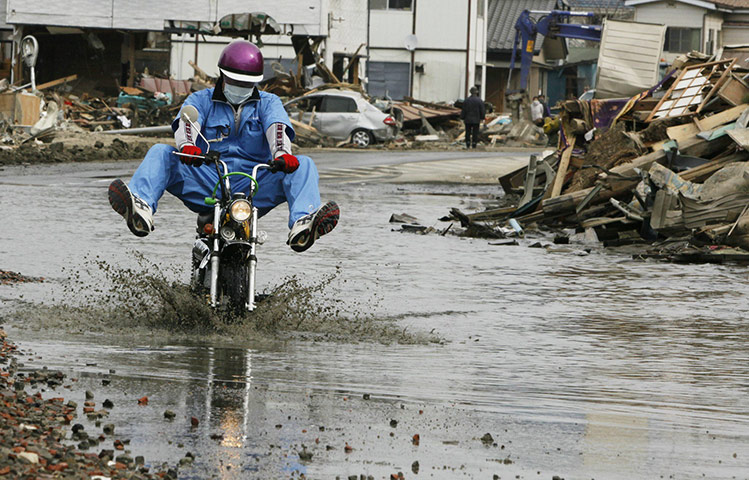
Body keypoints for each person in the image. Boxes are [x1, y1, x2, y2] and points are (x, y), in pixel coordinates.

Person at [108, 40, 339, 253]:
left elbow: (277, 127)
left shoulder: (270, 103)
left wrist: (282, 153)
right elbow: (187, 123)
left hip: (255, 184)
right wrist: (188, 146)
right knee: (161, 152)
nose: (240, 87)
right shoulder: (200, 100)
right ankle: (140, 207)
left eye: (247, 84)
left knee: (304, 164)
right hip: (209, 179)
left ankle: (304, 223)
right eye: (236, 82)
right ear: (222, 76)